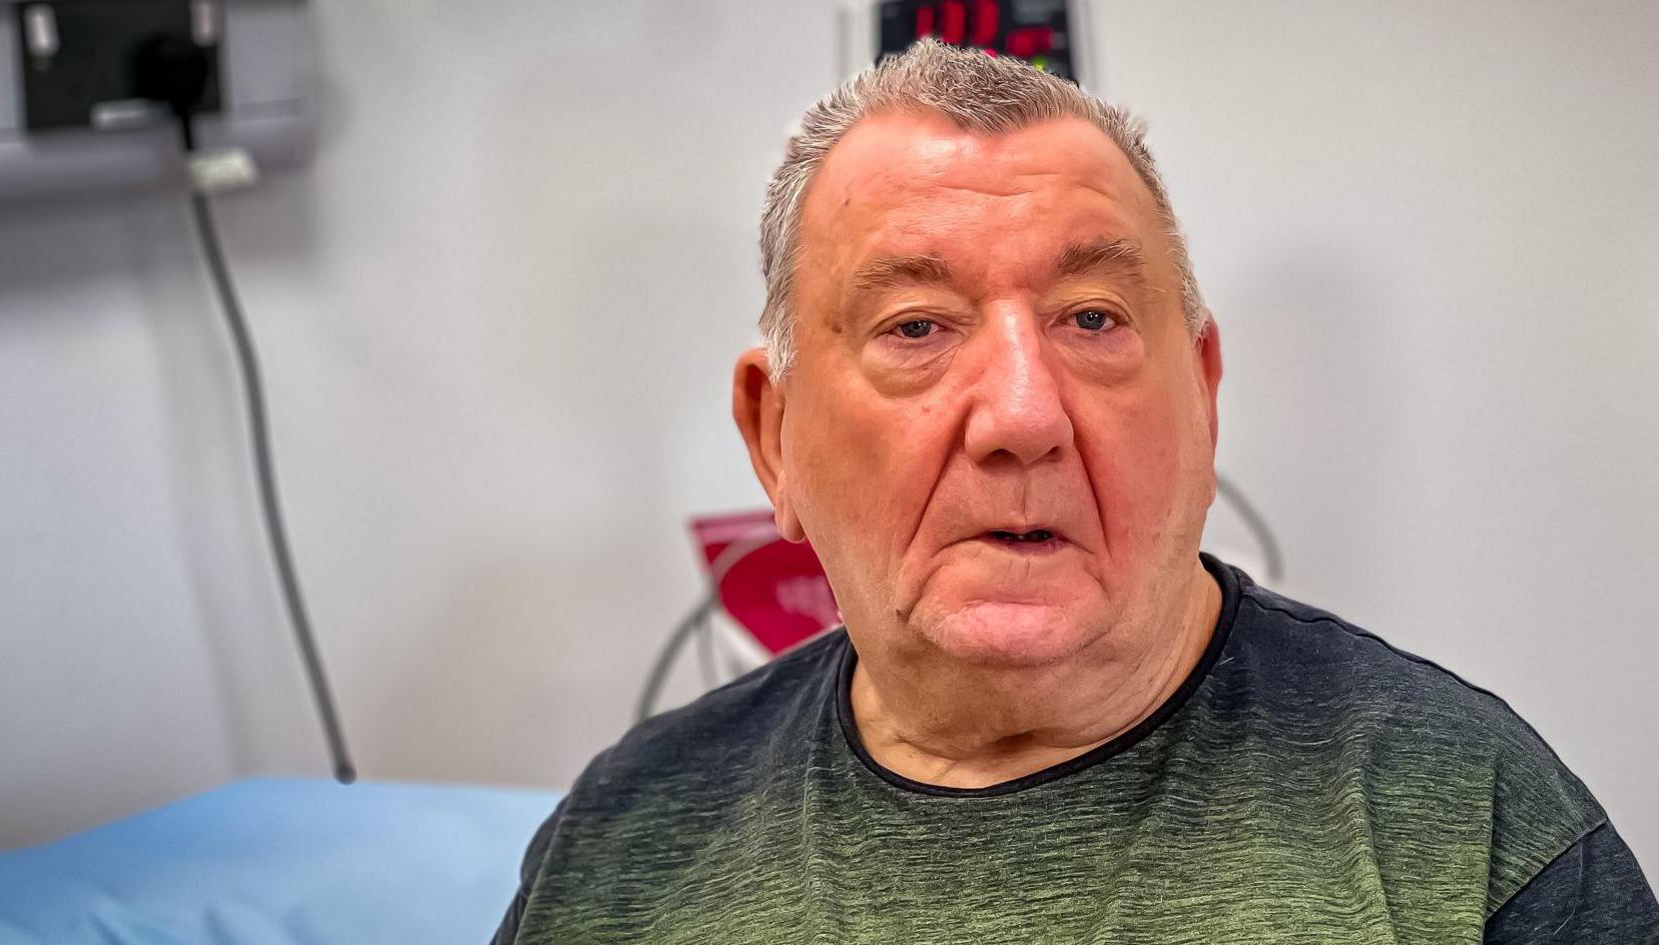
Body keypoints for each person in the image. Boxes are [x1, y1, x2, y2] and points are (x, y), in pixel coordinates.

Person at [492, 39, 1658, 943]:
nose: (1022, 414)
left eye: (1092, 319)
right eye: (917, 326)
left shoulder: (1464, 827)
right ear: (775, 435)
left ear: (1202, 398)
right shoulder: (626, 842)